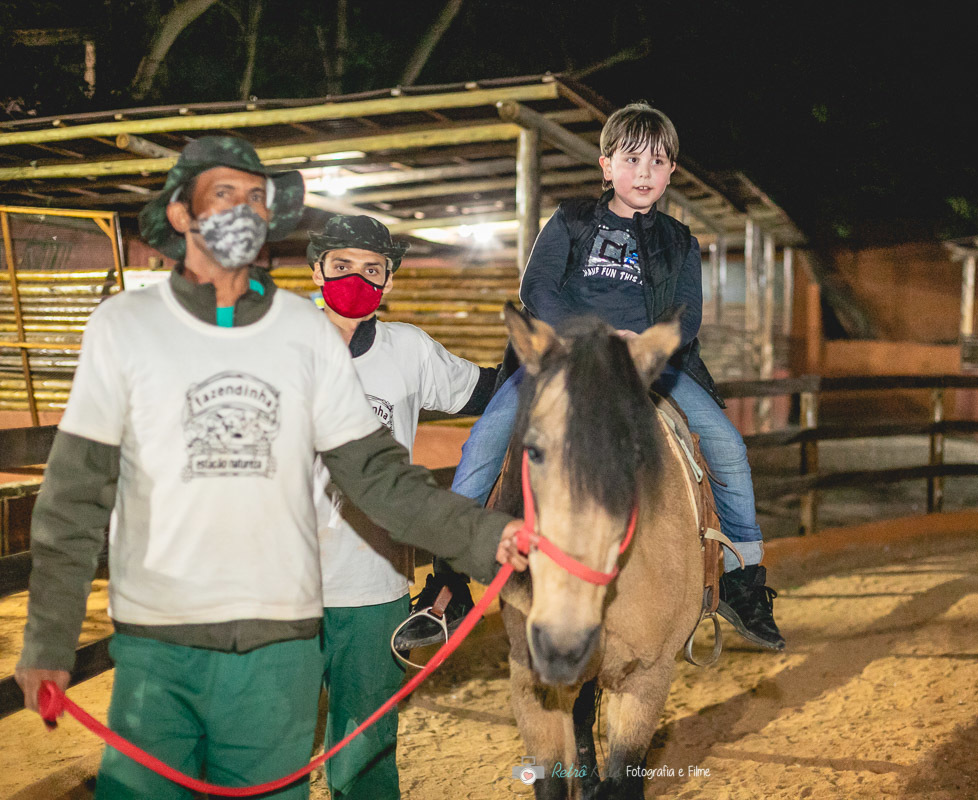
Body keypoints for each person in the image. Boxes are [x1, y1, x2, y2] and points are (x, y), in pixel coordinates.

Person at [13, 136, 525, 800]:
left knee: (348, 751)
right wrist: (52, 636)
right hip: (220, 609)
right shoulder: (163, 331)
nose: (240, 214)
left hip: (339, 597)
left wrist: (483, 536)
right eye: (221, 197)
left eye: (254, 200)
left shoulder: (345, 344)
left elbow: (377, 472)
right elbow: (81, 492)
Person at [395, 102, 784, 653]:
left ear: (671, 171)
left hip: (648, 368)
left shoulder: (679, 241)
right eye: (631, 160)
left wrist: (643, 345)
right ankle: (448, 585)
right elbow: (539, 287)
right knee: (485, 440)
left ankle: (744, 579)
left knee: (725, 443)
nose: (644, 173)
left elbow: (687, 314)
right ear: (606, 166)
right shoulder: (572, 219)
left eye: (658, 161)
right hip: (563, 360)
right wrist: (583, 338)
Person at [307, 214, 499, 800]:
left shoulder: (409, 350)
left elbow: (490, 390)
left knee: (364, 748)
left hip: (372, 585)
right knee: (264, 742)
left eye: (372, 269)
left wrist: (555, 353)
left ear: (389, 281)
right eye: (341, 266)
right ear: (316, 270)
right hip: (279, 584)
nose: (356, 279)